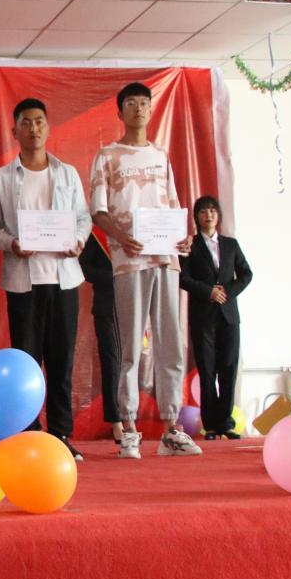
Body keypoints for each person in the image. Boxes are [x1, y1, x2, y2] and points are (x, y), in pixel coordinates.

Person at [89, 82, 199, 460]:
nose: (138, 109)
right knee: (131, 348)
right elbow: (98, 210)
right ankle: (130, 428)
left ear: (151, 111)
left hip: (166, 260)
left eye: (144, 103)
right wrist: (121, 235)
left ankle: (171, 429)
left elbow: (173, 206)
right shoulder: (107, 155)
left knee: (171, 345)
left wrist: (183, 239)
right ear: (120, 112)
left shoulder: (161, 155)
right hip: (129, 261)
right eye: (131, 104)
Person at [0, 99, 91, 462]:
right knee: (27, 364)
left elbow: (83, 218)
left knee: (62, 362)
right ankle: (29, 433)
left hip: (63, 279)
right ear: (14, 130)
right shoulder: (1, 178)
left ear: (48, 127)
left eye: (39, 121)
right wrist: (11, 243)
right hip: (23, 282)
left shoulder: (67, 173)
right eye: (26, 123)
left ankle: (60, 434)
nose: (33, 128)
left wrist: (78, 240)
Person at [180, 195, 252, 440]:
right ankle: (210, 425)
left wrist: (226, 292)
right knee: (207, 370)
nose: (208, 215)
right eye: (203, 211)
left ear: (218, 215)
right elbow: (183, 278)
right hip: (203, 315)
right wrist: (208, 291)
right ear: (196, 217)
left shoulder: (231, 244)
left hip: (229, 315)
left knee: (229, 368)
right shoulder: (190, 246)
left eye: (212, 210)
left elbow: (246, 274)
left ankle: (226, 423)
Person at [79, 227, 124, 444]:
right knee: (112, 362)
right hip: (106, 306)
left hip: (133, 305)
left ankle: (130, 417)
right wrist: (114, 277)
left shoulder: (135, 229)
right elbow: (84, 267)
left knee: (130, 362)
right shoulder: (96, 235)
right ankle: (117, 421)